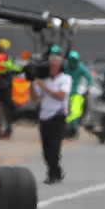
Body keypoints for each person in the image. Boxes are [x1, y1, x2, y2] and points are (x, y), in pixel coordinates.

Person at [30, 54, 71, 184]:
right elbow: (36, 98)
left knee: (54, 147)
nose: (51, 68)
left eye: (54, 66)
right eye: (50, 66)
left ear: (59, 67)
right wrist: (32, 83)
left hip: (57, 116)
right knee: (46, 149)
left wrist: (43, 87)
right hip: (44, 117)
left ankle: (53, 174)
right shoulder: (45, 80)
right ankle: (55, 171)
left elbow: (60, 95)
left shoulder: (65, 79)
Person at [63, 51, 93, 136]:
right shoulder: (65, 67)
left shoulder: (80, 67)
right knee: (64, 110)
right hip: (65, 91)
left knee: (75, 111)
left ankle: (74, 128)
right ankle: (64, 126)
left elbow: (89, 78)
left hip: (75, 90)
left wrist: (88, 86)